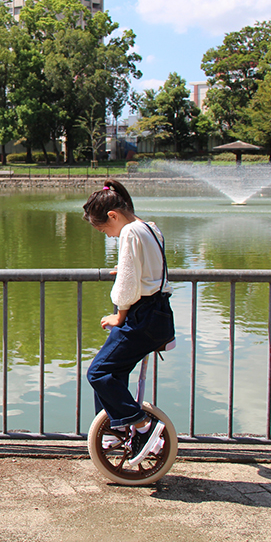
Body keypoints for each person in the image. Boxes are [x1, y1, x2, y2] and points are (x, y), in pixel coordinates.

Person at [82, 179, 175, 463]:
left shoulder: (130, 232)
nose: (108, 236)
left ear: (113, 216)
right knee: (114, 370)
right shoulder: (149, 226)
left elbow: (128, 285)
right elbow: (145, 269)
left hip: (141, 317)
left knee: (98, 373)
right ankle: (114, 427)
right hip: (158, 313)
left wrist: (118, 315)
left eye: (104, 229)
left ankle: (142, 427)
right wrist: (123, 268)